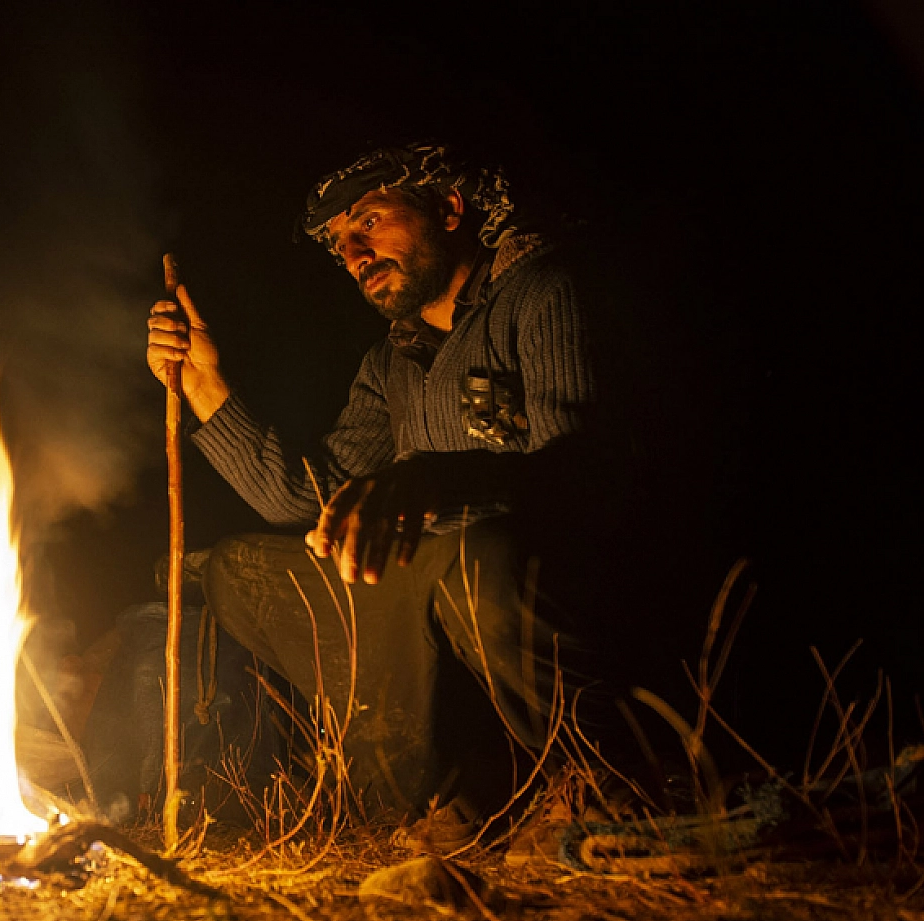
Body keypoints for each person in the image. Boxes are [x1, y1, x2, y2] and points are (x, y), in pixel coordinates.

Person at [146, 142, 645, 835]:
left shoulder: (542, 291)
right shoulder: (393, 361)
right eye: (342, 245)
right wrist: (204, 384)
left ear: (447, 210)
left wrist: (432, 483)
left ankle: (598, 775)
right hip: (436, 604)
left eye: (370, 222)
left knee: (479, 561)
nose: (355, 253)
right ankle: (452, 789)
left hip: (539, 590)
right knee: (242, 568)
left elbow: (586, 476)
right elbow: (306, 498)